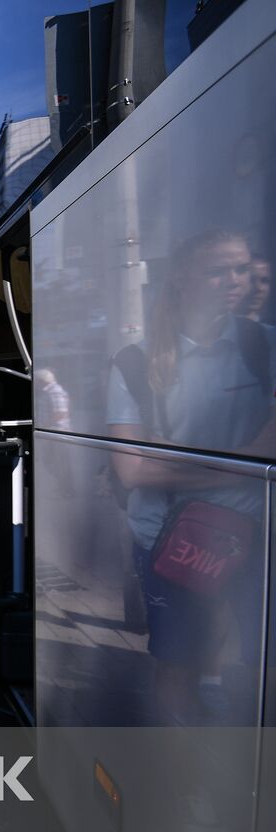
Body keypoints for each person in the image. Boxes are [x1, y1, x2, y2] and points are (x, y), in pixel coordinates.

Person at [107, 231, 273, 727]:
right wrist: (242, 467)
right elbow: (132, 469)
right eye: (218, 270)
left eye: (241, 269)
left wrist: (178, 470)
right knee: (177, 667)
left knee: (240, 657)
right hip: (170, 541)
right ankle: (181, 784)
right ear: (182, 279)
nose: (235, 282)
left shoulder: (261, 344)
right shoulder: (136, 360)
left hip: (250, 537)